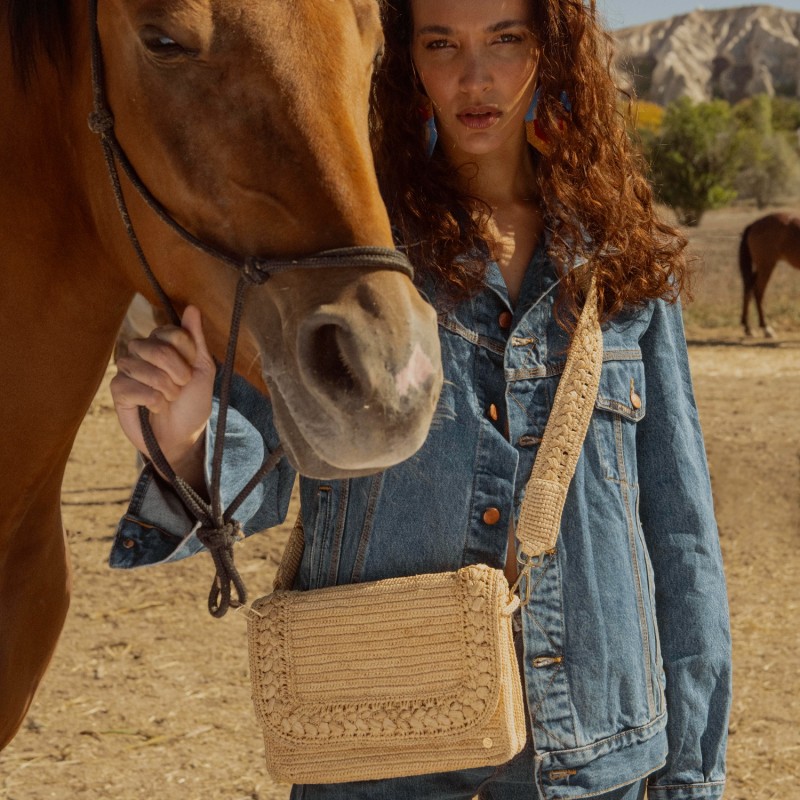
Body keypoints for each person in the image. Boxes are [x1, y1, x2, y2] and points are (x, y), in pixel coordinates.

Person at [109, 0, 732, 798]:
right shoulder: (347, 265)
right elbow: (256, 469)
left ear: (549, 51)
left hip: (592, 754)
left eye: (504, 40)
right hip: (381, 751)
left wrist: (690, 778)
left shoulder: (623, 263)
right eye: (443, 44)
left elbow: (681, 538)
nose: (475, 77)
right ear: (405, 61)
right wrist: (186, 427)